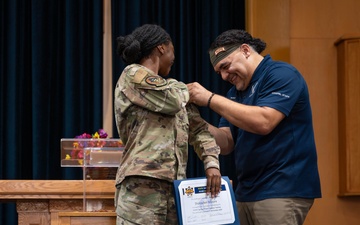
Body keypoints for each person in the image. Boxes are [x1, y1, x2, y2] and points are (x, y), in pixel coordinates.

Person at [187, 29, 322, 225]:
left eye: (226, 66)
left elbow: (264, 122)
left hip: (281, 189)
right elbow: (226, 143)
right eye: (219, 72)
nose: (224, 76)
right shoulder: (235, 92)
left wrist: (209, 99)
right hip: (245, 193)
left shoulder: (282, 74)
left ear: (245, 50)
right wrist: (193, 122)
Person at [113, 24, 222, 225]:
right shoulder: (132, 74)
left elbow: (199, 131)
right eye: (172, 50)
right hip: (141, 188)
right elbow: (172, 100)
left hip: (175, 188)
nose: (174, 57)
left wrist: (212, 164)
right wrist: (189, 91)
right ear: (162, 47)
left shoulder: (172, 89)